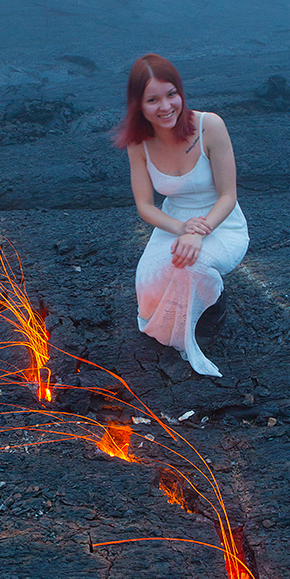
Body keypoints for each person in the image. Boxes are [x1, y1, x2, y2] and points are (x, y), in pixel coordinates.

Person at [115, 53, 249, 378]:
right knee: (148, 285)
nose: (165, 106)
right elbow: (145, 205)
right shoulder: (139, 144)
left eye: (171, 94)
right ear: (138, 104)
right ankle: (190, 304)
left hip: (220, 221)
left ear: (181, 93)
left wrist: (197, 233)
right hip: (175, 221)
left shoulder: (209, 126)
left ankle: (214, 310)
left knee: (194, 266)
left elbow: (228, 195)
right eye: (152, 99)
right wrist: (180, 228)